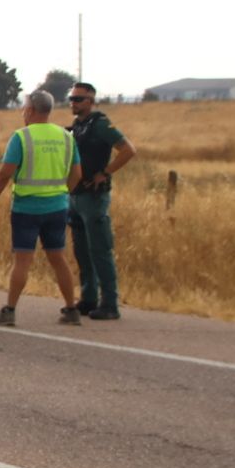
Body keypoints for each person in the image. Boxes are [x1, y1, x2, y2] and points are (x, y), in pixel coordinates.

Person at [0, 90, 84, 327]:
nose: (23, 111)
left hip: (27, 207)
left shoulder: (22, 137)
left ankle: (10, 309)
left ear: (32, 110)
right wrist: (63, 193)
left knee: (23, 260)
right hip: (57, 206)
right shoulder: (66, 136)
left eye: (24, 107)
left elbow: (5, 173)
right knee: (58, 258)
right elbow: (77, 174)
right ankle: (71, 308)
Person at [68, 82, 137, 319]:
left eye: (78, 99)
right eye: (72, 98)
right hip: (76, 194)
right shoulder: (77, 126)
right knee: (82, 250)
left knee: (100, 249)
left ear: (91, 101)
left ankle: (110, 303)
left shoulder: (100, 124)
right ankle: (88, 298)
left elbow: (128, 150)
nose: (73, 103)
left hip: (94, 196)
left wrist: (105, 172)